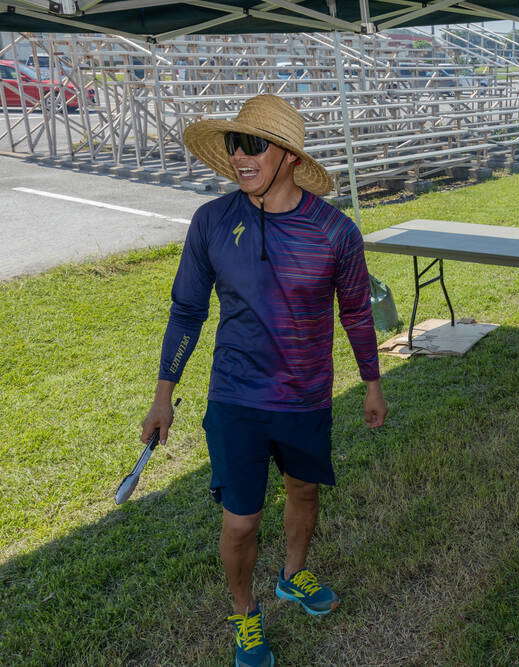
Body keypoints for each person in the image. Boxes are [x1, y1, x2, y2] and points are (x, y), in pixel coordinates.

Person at [140, 94, 387, 666]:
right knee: (242, 519)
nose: (240, 156)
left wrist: (371, 382)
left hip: (307, 396)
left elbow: (354, 311)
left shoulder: (334, 231)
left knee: (304, 490)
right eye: (234, 144)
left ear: (289, 157)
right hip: (236, 398)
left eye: (253, 145)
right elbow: (186, 311)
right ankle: (245, 615)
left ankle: (293, 575)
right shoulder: (212, 220)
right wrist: (162, 397)